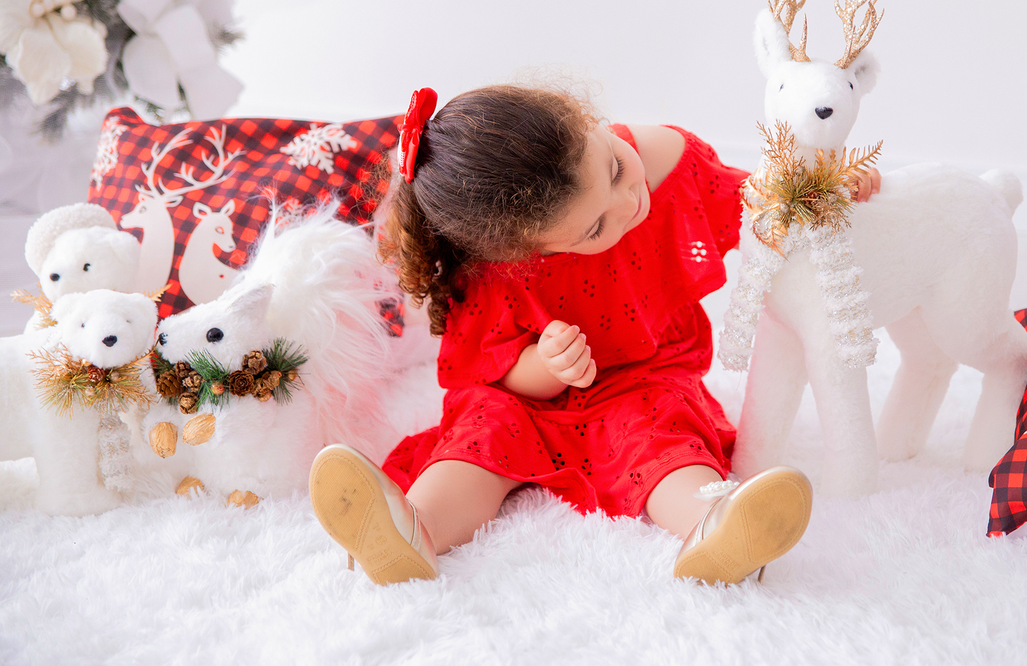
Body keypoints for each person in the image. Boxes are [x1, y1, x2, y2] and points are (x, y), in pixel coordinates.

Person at [308, 84, 881, 586]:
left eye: (614, 168)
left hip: (641, 378)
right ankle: (412, 529)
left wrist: (825, 187)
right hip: (525, 401)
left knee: (660, 437)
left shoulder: (670, 160)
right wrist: (543, 366)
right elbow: (487, 366)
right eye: (595, 228)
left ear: (586, 120)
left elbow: (759, 206)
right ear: (528, 251)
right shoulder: (497, 259)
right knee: (479, 438)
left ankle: (716, 523)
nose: (628, 203)